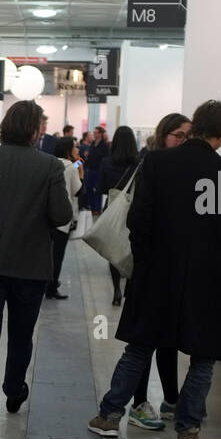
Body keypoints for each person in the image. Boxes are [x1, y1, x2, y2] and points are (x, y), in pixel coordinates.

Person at [87, 100, 221, 439]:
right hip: (209, 280)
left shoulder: (157, 163)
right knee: (203, 356)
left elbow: (137, 220)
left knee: (139, 347)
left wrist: (146, 263)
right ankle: (188, 429)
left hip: (158, 274)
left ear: (196, 127)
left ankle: (110, 416)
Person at [0, 101, 72, 437]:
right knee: (21, 336)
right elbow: (61, 215)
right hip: (31, 267)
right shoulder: (50, 166)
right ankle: (13, 390)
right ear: (34, 130)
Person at [118, 112, 192, 430]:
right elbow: (139, 219)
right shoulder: (152, 164)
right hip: (149, 267)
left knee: (169, 338)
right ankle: (138, 403)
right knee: (144, 338)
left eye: (188, 136)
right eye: (177, 135)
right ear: (163, 135)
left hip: (174, 267)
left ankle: (171, 400)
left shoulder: (188, 169)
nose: (182, 141)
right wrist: (145, 261)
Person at [98, 126, 140, 306]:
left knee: (113, 249)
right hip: (134, 210)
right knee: (132, 249)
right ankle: (132, 290)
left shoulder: (106, 162)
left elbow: (101, 188)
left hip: (112, 209)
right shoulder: (140, 163)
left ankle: (116, 289)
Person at [48, 135, 81, 300]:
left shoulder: (50, 162)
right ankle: (52, 286)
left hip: (48, 216)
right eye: (75, 147)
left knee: (48, 253)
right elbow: (78, 190)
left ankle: (47, 283)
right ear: (68, 149)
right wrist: (81, 171)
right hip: (63, 216)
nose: (78, 149)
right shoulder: (72, 166)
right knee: (58, 254)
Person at [83, 125, 109, 214]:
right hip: (90, 170)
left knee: (97, 190)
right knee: (89, 188)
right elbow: (87, 156)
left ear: (100, 134)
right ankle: (92, 207)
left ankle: (97, 209)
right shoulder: (93, 144)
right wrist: (87, 155)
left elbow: (106, 158)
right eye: (93, 132)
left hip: (99, 170)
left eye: (96, 132)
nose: (94, 134)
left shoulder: (105, 145)